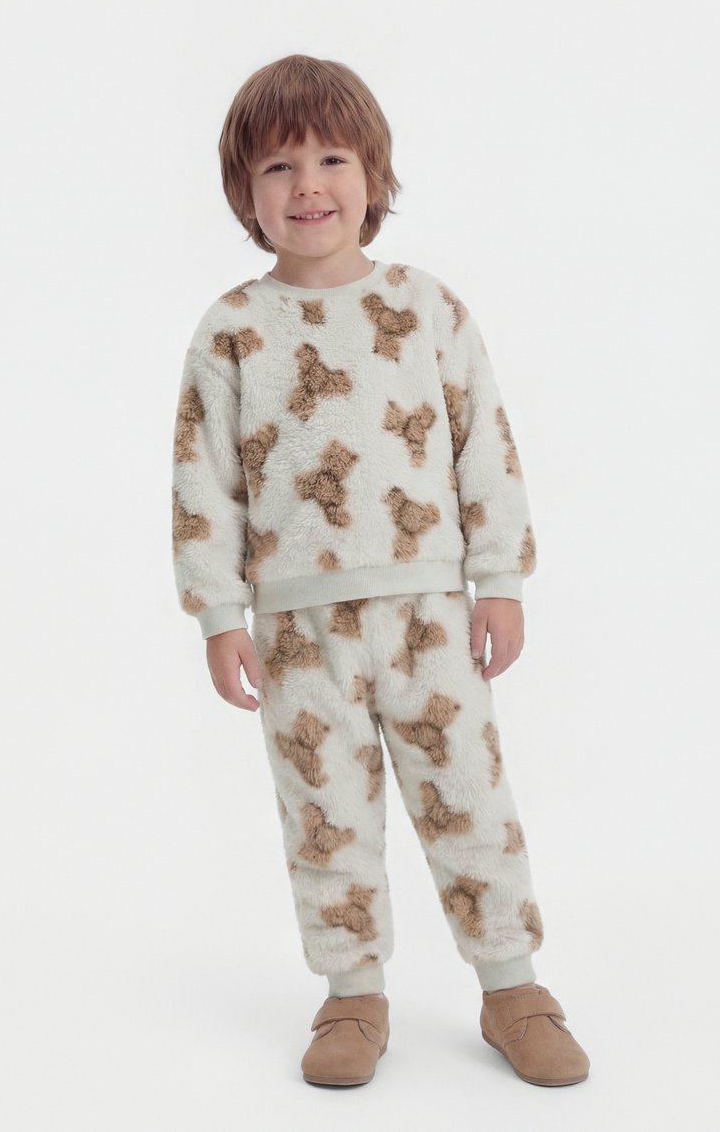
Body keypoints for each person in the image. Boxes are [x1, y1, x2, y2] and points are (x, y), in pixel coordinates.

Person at [171, 53, 590, 1088]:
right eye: (277, 167)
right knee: (324, 814)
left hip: (428, 613)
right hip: (294, 629)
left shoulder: (425, 306)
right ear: (245, 195)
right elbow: (201, 480)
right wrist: (217, 614)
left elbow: (483, 446)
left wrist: (500, 579)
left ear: (373, 175)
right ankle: (351, 993)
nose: (307, 185)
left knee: (469, 799)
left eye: (331, 159)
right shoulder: (231, 330)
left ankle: (512, 986)